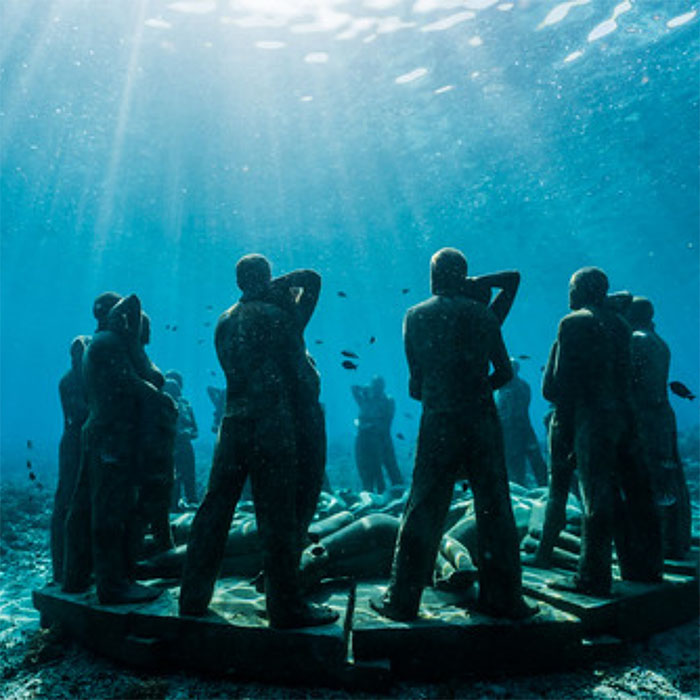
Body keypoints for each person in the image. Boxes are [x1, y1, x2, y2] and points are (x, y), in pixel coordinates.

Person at [371, 248, 536, 621]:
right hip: (481, 418)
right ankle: (506, 598)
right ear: (462, 276)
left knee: (423, 507)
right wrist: (476, 388)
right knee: (495, 505)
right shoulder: (483, 316)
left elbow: (415, 386)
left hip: (439, 420)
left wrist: (444, 393)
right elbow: (506, 373)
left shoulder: (415, 315)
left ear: (433, 276)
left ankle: (402, 599)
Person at [179, 254, 337, 629]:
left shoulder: (224, 320)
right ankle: (286, 607)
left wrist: (262, 287)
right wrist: (279, 286)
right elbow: (313, 281)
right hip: (271, 421)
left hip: (233, 421)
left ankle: (193, 597)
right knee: (277, 513)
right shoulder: (276, 318)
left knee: (214, 509)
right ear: (265, 278)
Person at [542, 268, 662, 596]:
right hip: (625, 416)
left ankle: (592, 577)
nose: (568, 294)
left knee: (597, 496)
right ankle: (646, 566)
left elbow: (561, 385)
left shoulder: (572, 323)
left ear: (581, 290)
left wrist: (565, 429)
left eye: (571, 287)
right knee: (637, 493)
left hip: (592, 418)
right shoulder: (620, 325)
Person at [62, 295, 165, 604]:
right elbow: (142, 384)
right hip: (111, 437)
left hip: (98, 433)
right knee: (110, 510)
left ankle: (74, 576)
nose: (139, 329)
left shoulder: (99, 341)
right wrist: (129, 328)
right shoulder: (110, 343)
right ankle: (112, 585)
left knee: (82, 507)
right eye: (137, 324)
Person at [627, 297, 691, 559]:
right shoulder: (658, 340)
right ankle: (678, 540)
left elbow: (631, 381)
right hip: (663, 413)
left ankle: (660, 543)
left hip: (646, 416)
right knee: (672, 477)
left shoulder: (636, 340)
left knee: (653, 477)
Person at [50, 336, 90, 583]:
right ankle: (62, 569)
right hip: (75, 443)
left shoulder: (74, 378)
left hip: (76, 440)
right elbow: (79, 413)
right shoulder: (71, 381)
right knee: (67, 501)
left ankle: (70, 566)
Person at [495, 361, 547, 487]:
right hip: (516, 428)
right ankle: (527, 485)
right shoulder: (507, 388)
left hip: (516, 428)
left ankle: (539, 485)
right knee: (520, 461)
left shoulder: (509, 387)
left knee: (526, 460)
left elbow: (510, 410)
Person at [352, 376, 403, 493]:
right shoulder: (366, 400)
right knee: (365, 465)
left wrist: (373, 426)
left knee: (388, 464)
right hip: (365, 437)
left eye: (377, 387)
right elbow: (354, 389)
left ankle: (396, 491)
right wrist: (364, 388)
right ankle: (370, 492)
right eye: (374, 386)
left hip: (381, 437)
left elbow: (387, 420)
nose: (375, 389)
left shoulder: (387, 400)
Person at [164, 371, 199, 509]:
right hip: (169, 449)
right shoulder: (158, 405)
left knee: (189, 479)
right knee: (173, 483)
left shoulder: (186, 405)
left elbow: (196, 431)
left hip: (185, 447)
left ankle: (191, 509)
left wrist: (187, 433)